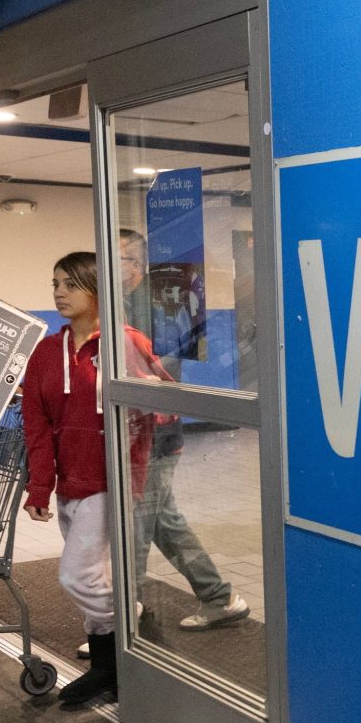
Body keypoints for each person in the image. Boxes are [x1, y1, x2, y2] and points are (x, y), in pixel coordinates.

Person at [21, 250, 158, 710]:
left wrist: (135, 462)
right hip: (70, 484)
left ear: (98, 290)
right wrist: (40, 487)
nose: (59, 292)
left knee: (76, 577)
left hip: (110, 483)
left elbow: (162, 404)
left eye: (70, 284)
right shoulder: (46, 353)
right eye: (55, 283)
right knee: (96, 576)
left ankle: (128, 631)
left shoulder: (125, 344)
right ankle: (108, 668)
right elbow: (36, 426)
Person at [118, 229, 250, 632]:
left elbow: (165, 367)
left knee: (137, 524)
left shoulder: (156, 307)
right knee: (162, 522)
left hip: (154, 433)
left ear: (136, 265)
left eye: (116, 258)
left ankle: (125, 619)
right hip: (141, 430)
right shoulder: (122, 303)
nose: (107, 267)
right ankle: (219, 597)